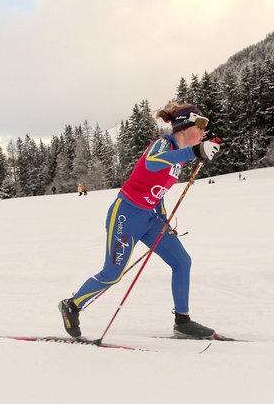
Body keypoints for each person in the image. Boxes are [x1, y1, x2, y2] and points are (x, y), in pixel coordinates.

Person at [58, 103, 221, 339]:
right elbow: (152, 162)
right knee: (113, 273)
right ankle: (72, 305)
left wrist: (163, 221)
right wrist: (196, 152)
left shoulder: (179, 158)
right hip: (126, 214)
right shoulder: (164, 144)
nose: (204, 131)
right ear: (186, 125)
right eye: (202, 124)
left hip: (149, 218)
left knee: (182, 261)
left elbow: (158, 190)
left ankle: (182, 321)